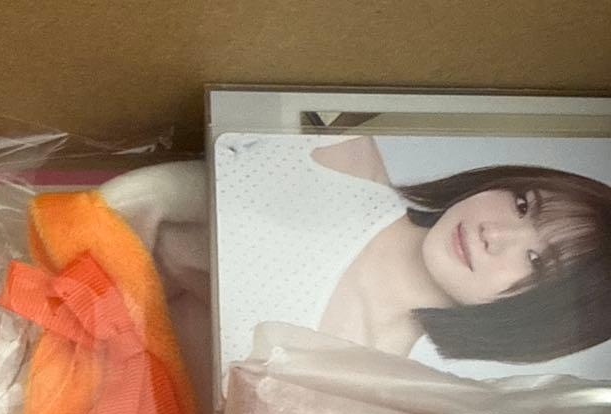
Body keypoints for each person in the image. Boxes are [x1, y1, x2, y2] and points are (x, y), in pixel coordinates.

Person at [215, 134, 611, 365]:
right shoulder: (338, 145)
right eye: (523, 205)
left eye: (536, 261)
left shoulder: (346, 385)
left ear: (534, 320)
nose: (494, 233)